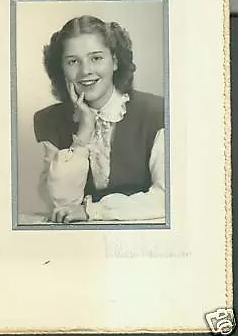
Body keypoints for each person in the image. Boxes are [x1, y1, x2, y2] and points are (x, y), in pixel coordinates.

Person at [34, 15, 165, 223]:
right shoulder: (50, 120)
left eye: (96, 58)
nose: (85, 71)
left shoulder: (156, 112)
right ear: (61, 69)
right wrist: (84, 132)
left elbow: (166, 199)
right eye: (73, 61)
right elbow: (62, 205)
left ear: (114, 61)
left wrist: (93, 212)